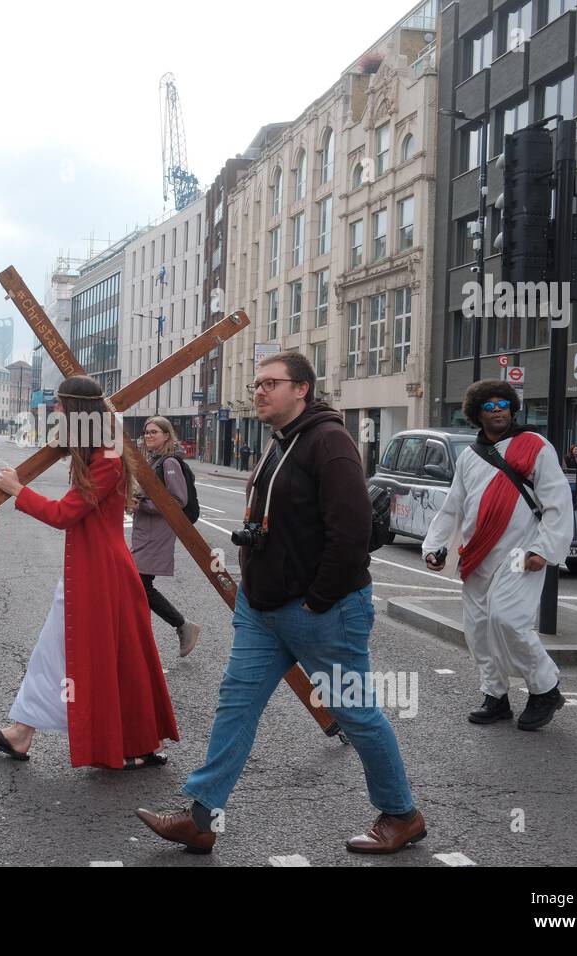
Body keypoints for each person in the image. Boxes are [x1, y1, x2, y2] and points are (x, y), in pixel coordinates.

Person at [136, 352, 423, 855]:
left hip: (323, 611)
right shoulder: (279, 443)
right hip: (262, 609)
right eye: (256, 384)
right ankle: (202, 815)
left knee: (354, 712)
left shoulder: (330, 443)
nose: (259, 391)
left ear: (302, 390)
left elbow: (351, 532)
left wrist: (318, 600)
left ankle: (402, 814)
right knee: (236, 706)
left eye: (271, 383)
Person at [0, 375, 179, 769]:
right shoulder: (96, 449)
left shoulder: (106, 459)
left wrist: (19, 490)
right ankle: (28, 733)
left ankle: (33, 734)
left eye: (60, 406)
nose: (54, 411)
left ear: (77, 411)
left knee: (81, 657)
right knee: (82, 657)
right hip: (92, 571)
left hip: (100, 577)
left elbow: (65, 514)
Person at [422, 380, 573, 730]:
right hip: (478, 554)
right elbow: (452, 507)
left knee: (507, 620)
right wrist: (434, 546)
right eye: (489, 406)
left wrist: (544, 549)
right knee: (478, 630)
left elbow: (557, 501)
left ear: (513, 408)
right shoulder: (469, 457)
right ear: (477, 414)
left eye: (503, 403)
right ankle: (495, 696)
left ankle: (545, 688)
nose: (498, 410)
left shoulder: (535, 447)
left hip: (523, 553)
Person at [130, 416, 201, 657]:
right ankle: (141, 641)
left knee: (139, 583)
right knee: (137, 585)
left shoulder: (169, 462)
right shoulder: (154, 460)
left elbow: (178, 500)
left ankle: (182, 626)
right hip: (146, 531)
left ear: (167, 435)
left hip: (156, 534)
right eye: (146, 432)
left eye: (154, 432)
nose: (148, 436)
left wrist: (142, 505)